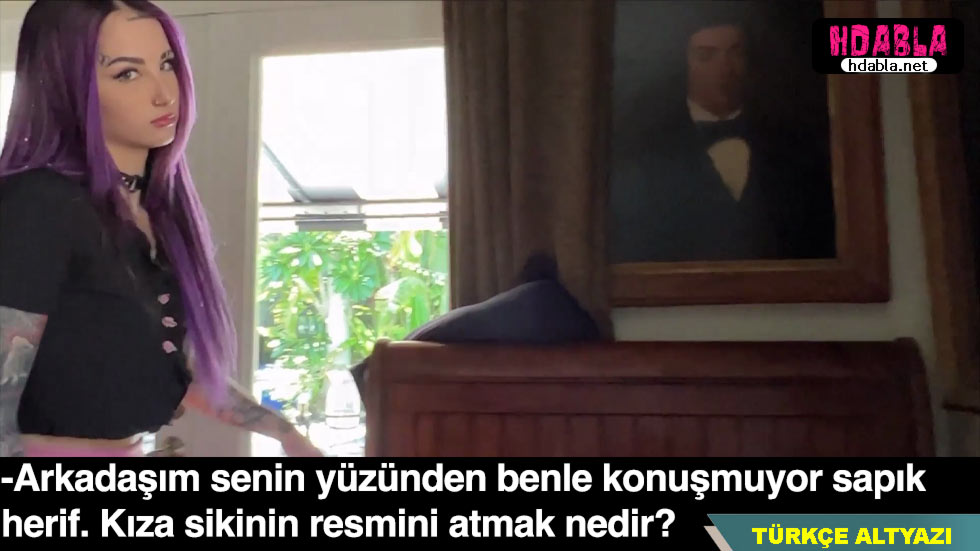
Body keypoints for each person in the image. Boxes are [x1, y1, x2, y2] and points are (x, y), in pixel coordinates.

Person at [0, 0, 321, 457]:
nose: (164, 93)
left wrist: (286, 433)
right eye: (127, 73)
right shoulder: (39, 204)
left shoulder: (155, 210)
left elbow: (166, 365)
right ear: (66, 88)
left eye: (166, 64)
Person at [609, 10, 836, 263]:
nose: (725, 69)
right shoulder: (646, 149)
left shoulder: (793, 145)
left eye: (735, 53)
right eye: (706, 56)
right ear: (684, 65)